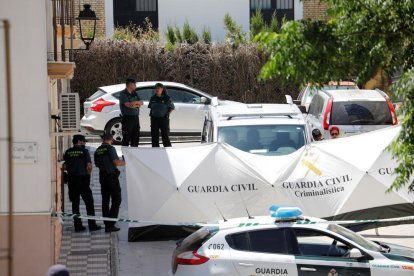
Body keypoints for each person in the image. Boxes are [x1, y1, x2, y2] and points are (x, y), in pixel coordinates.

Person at [63, 135, 101, 232]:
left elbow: (65, 166)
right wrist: (88, 176)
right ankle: (92, 225)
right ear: (79, 141)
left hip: (72, 181)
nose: (85, 143)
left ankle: (78, 226)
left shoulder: (67, 152)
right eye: (84, 141)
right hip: (83, 180)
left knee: (75, 204)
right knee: (89, 203)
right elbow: (89, 166)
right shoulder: (84, 152)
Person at [94, 134, 125, 232]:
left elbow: (97, 164)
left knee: (105, 201)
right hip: (111, 177)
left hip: (102, 177)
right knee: (116, 200)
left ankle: (107, 223)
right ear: (111, 140)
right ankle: (110, 223)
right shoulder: (110, 149)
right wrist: (125, 161)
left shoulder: (97, 150)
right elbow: (116, 162)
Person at [148, 83, 175, 147]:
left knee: (165, 136)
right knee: (154, 137)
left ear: (162, 89)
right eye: (156, 88)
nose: (157, 89)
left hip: (163, 119)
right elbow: (151, 108)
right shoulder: (152, 98)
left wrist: (167, 114)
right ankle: (155, 150)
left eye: (159, 88)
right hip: (154, 119)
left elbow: (172, 107)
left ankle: (168, 149)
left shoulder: (167, 98)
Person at [119, 78, 143, 147]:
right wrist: (136, 104)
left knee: (135, 137)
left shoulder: (135, 93)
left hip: (135, 117)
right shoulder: (123, 94)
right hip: (127, 118)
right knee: (126, 137)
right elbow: (128, 105)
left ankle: (134, 154)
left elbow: (141, 102)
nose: (135, 86)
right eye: (134, 84)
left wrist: (134, 103)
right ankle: (125, 155)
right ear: (130, 84)